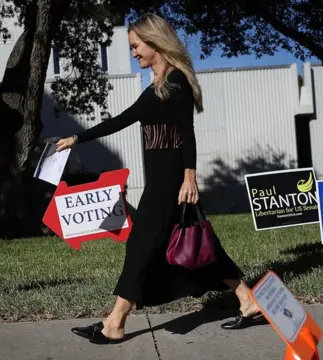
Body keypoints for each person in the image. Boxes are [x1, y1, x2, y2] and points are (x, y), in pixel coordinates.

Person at [55, 13, 264, 345]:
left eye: (136, 46)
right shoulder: (157, 85)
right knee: (199, 244)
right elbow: (121, 120)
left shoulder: (176, 81)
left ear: (154, 43)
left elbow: (187, 134)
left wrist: (189, 178)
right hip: (161, 181)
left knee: (141, 246)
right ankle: (248, 300)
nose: (134, 52)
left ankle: (115, 323)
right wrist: (76, 139)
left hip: (170, 182)